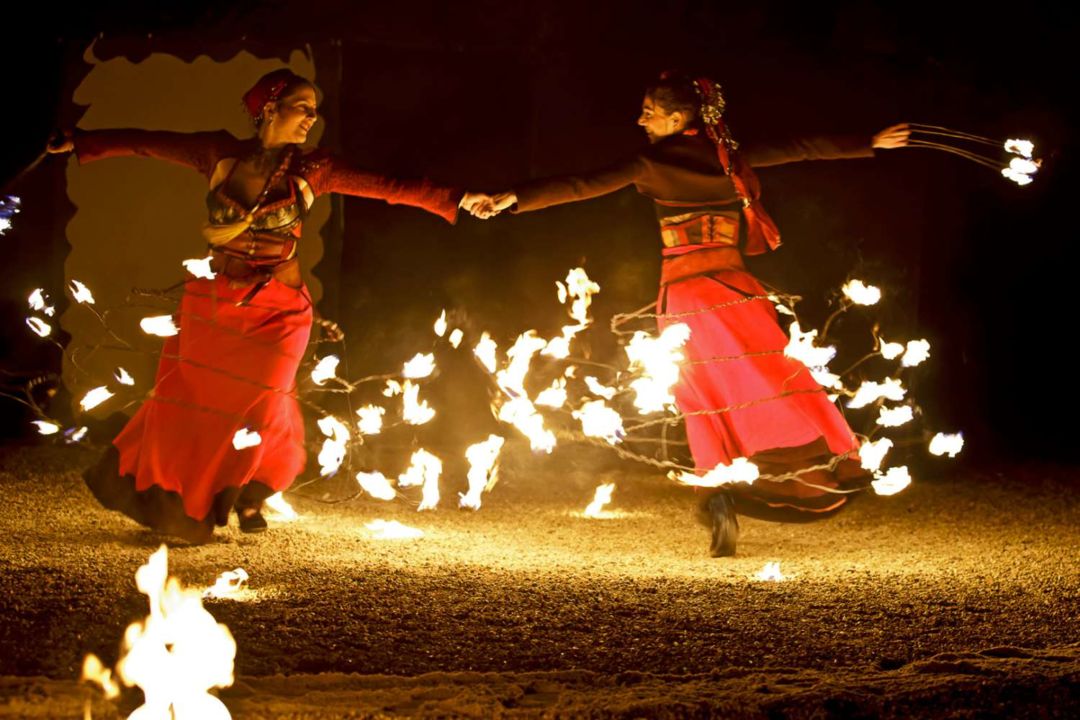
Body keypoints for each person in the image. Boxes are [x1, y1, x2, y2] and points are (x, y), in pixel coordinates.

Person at [474, 72, 909, 556]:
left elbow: (581, 185)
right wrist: (867, 141)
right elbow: (799, 146)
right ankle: (802, 470)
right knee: (775, 380)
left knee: (702, 396)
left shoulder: (650, 164)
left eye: (649, 111)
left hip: (685, 297)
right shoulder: (729, 158)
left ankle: (717, 493)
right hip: (736, 293)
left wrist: (514, 197)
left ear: (677, 118)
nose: (640, 119)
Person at [50, 69, 493, 543]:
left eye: (314, 110)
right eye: (302, 106)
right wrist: (81, 140)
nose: (311, 117)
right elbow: (147, 142)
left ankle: (243, 492)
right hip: (216, 304)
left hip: (279, 313)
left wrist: (459, 198)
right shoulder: (218, 153)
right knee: (190, 403)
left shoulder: (314, 168)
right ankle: (207, 496)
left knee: (260, 400)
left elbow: (388, 185)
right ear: (269, 108)